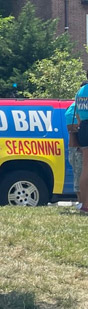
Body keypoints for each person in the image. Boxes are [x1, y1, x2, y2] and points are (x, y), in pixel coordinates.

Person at [73, 74, 88, 212]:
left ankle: (84, 204)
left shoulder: (80, 91)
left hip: (83, 127)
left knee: (85, 167)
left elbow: (77, 113)